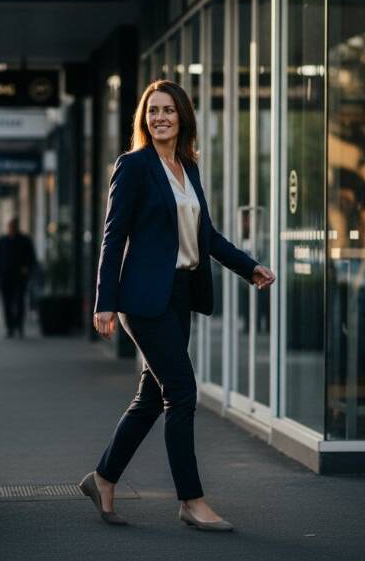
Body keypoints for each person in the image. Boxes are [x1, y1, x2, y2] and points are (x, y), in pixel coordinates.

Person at [78, 80, 276, 531]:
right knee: (181, 393)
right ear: (144, 119)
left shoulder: (187, 167)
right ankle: (191, 500)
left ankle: (103, 478)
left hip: (180, 294)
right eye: (152, 111)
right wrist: (104, 301)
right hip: (143, 299)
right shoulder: (133, 166)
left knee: (151, 397)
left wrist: (249, 267)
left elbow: (206, 236)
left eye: (168, 110)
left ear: (182, 116)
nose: (160, 117)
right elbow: (113, 237)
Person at [0, 218, 37, 338]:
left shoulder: (24, 240)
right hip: (5, 277)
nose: (11, 228)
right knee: (7, 303)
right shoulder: (2, 241)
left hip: (19, 277)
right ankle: (10, 327)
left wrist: (26, 268)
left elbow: (31, 257)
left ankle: (19, 325)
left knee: (19, 302)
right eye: (10, 226)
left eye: (13, 226)